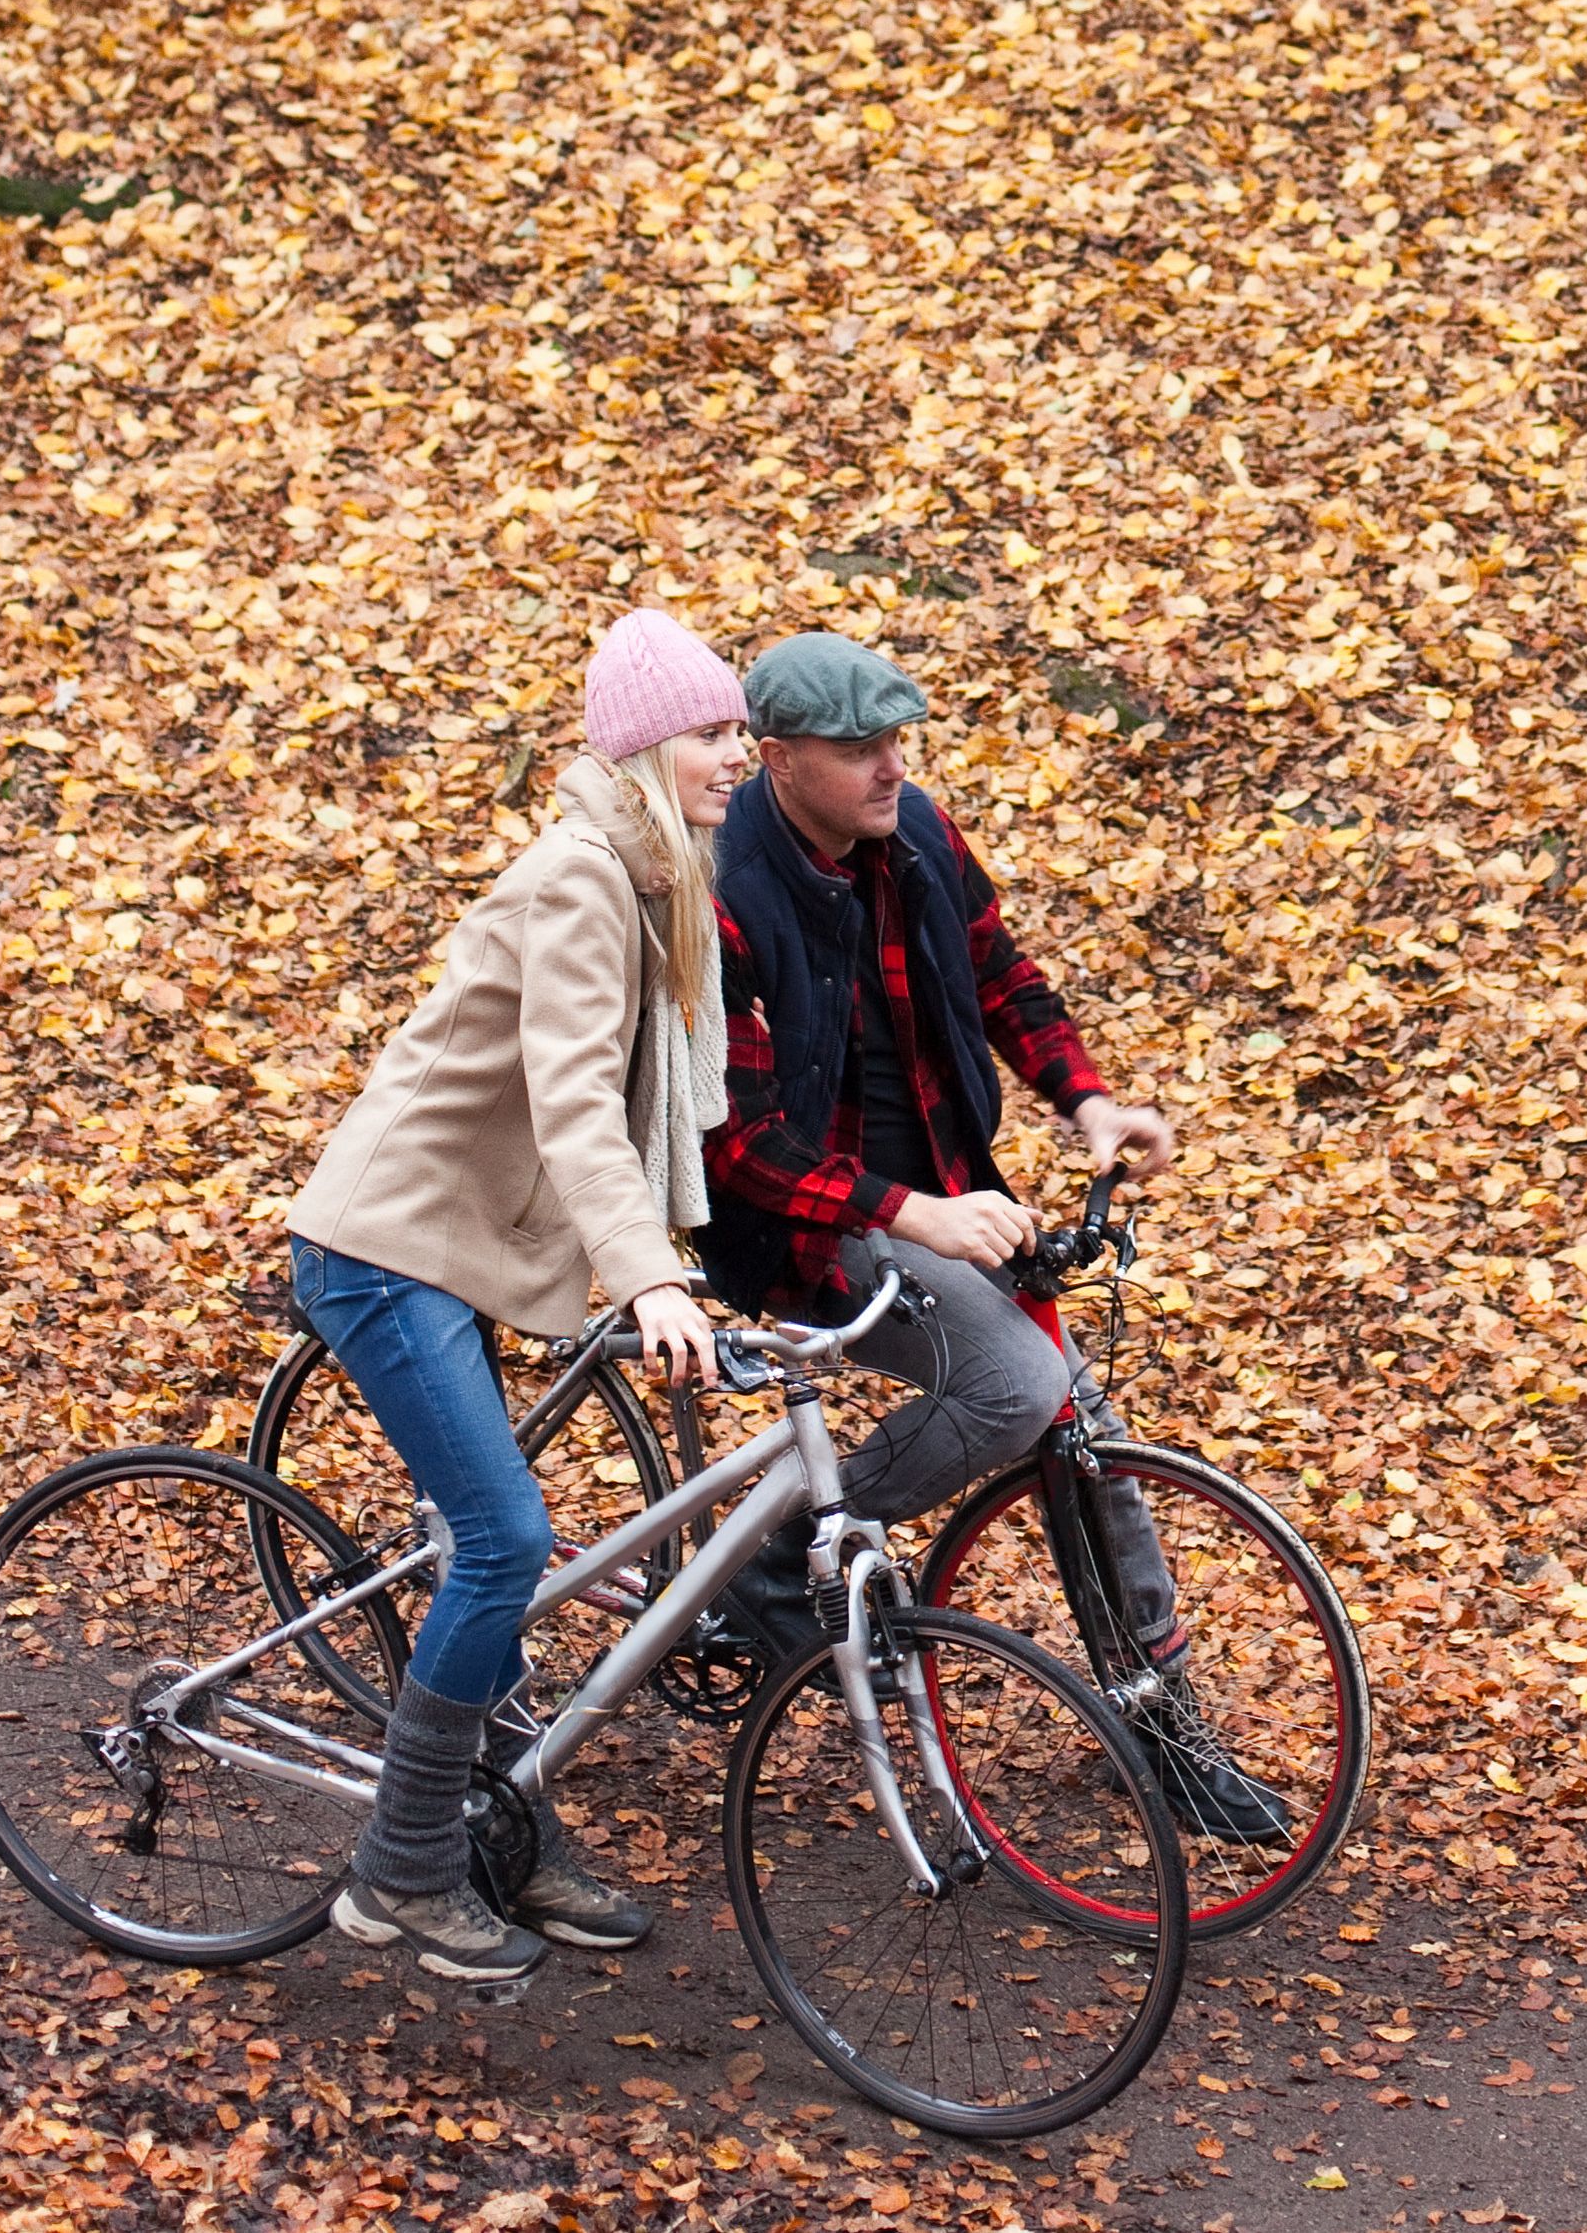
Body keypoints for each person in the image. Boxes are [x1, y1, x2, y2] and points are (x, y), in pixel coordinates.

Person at [696, 629, 1288, 1840]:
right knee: (1021, 1388)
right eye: (858, 748)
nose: (888, 766)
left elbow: (1001, 973)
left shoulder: (912, 833)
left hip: (950, 1197)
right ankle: (779, 1573)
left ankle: (1162, 1721)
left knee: (1086, 1435)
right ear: (776, 758)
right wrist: (913, 1212)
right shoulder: (722, 891)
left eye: (897, 739)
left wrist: (1088, 1100)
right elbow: (736, 1142)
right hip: (811, 1222)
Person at [284, 608, 746, 1986]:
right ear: (651, 747)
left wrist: (685, 1259)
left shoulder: (655, 873)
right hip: (391, 1243)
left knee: (483, 1546)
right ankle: (401, 1873)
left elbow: (640, 1101)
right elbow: (571, 1100)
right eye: (716, 733)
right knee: (502, 1540)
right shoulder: (582, 878)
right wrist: (649, 1270)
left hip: (467, 1246)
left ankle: (501, 1833)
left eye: (735, 729)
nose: (738, 752)